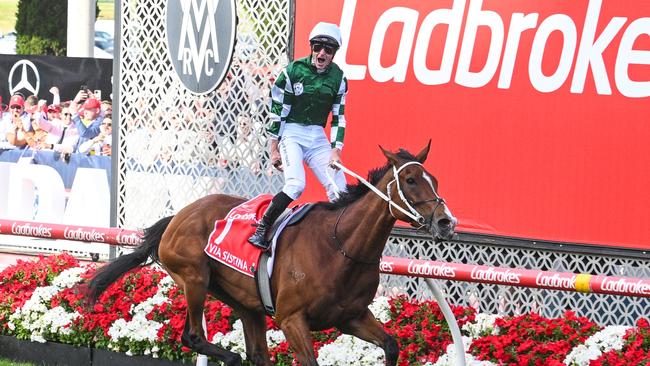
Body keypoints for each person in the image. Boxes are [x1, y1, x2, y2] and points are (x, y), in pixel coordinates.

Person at [248, 22, 349, 250]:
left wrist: (336, 150)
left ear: (334, 54)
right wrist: (274, 147)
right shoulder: (292, 72)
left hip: (317, 135)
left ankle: (339, 241)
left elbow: (339, 117)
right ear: (311, 47)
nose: (322, 53)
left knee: (339, 189)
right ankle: (263, 228)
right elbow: (278, 112)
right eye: (318, 47)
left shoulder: (339, 78)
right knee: (296, 185)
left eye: (328, 49)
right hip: (292, 132)